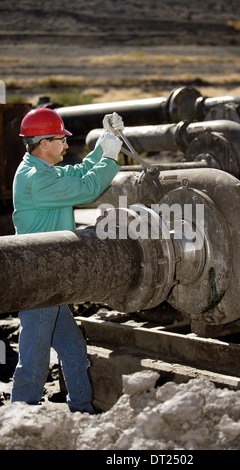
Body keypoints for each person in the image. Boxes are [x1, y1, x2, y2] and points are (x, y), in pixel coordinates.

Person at [11, 107, 124, 413]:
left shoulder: (42, 170)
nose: (65, 145)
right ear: (43, 143)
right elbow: (87, 186)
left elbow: (78, 172)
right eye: (61, 140)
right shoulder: (37, 180)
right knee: (33, 363)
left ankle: (82, 413)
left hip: (53, 278)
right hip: (39, 281)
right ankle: (18, 424)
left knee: (73, 350)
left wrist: (105, 141)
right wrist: (111, 159)